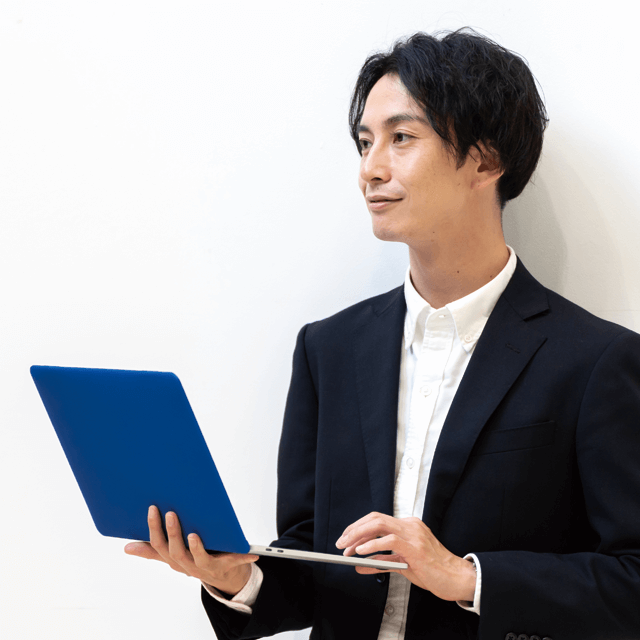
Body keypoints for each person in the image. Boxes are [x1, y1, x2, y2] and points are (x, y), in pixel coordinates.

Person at [125, 29, 640, 640]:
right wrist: (236, 577)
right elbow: (311, 564)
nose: (370, 169)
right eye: (365, 142)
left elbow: (632, 581)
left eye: (401, 138)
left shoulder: (596, 360)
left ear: (485, 160)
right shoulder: (328, 349)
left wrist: (465, 577)